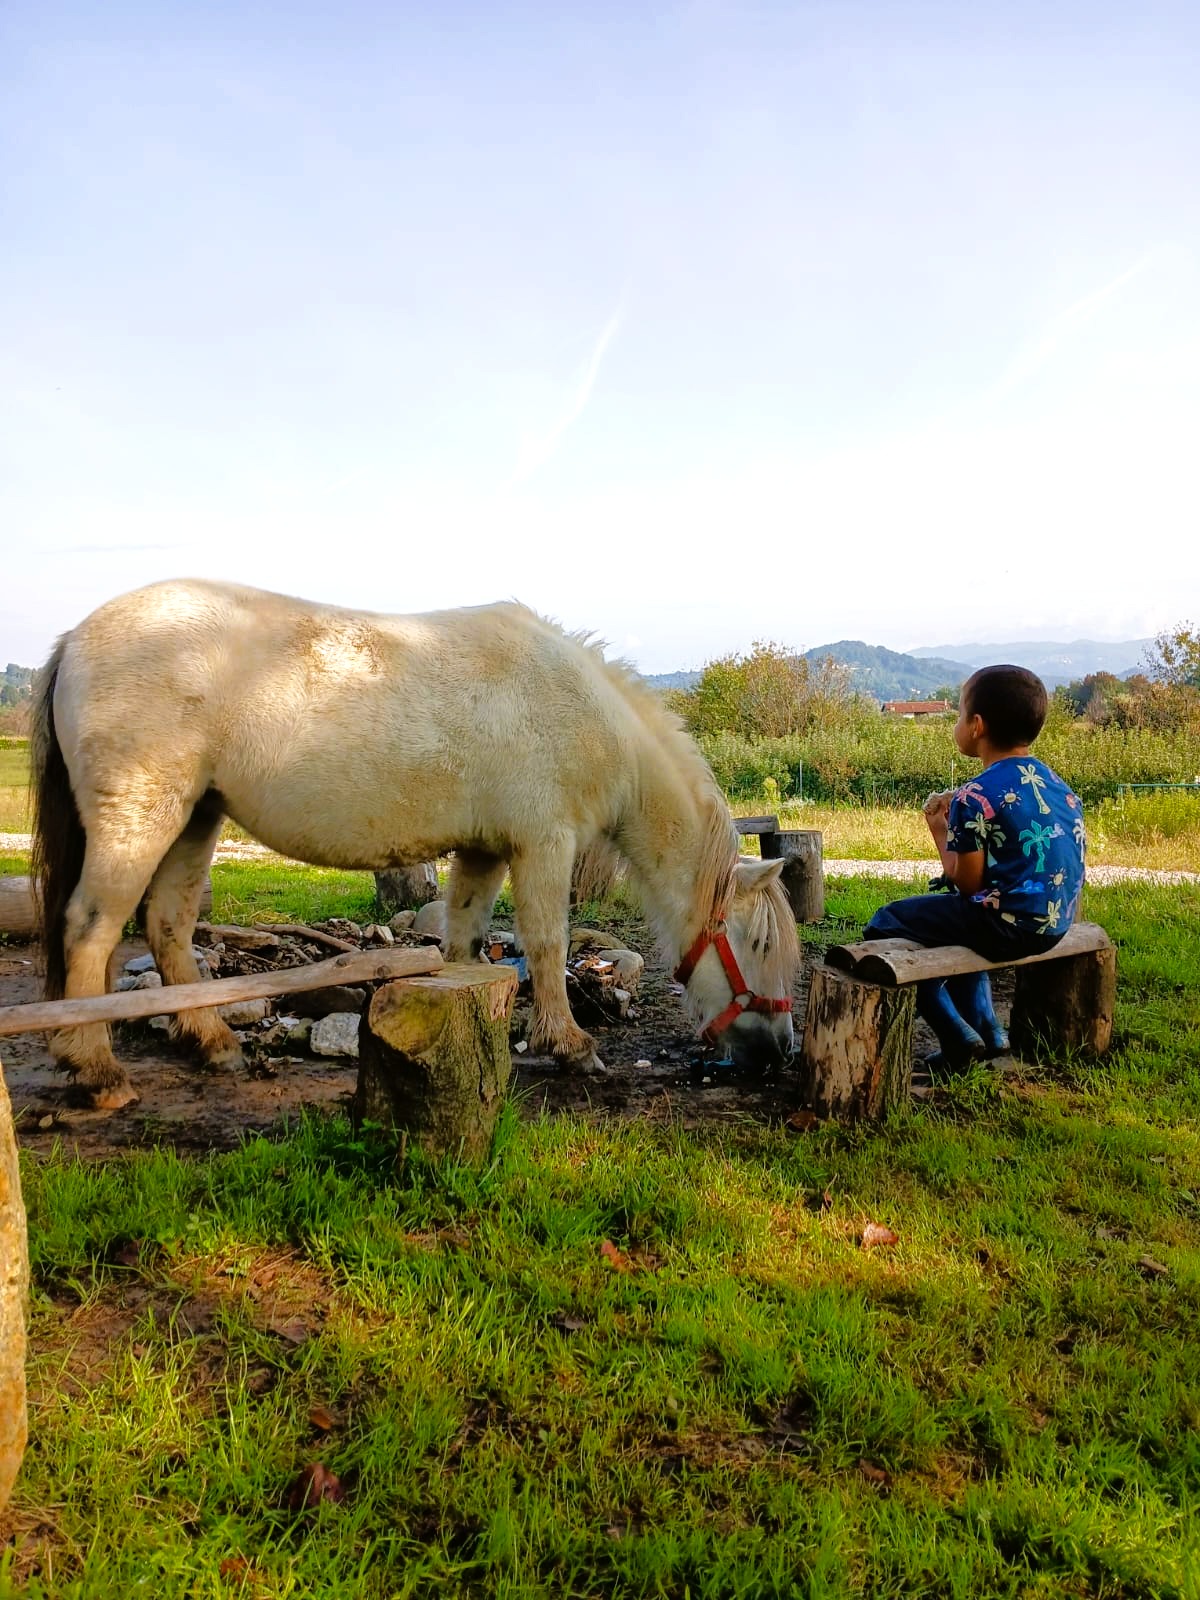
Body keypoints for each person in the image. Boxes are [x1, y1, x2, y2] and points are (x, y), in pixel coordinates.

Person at [865, 665, 1086, 1070]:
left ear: (977, 726)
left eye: (959, 713)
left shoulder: (974, 796)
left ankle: (955, 1034)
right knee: (960, 923)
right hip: (1056, 923)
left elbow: (967, 883)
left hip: (1010, 928)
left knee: (885, 922)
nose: (957, 723)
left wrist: (938, 828)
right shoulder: (1059, 786)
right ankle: (989, 1029)